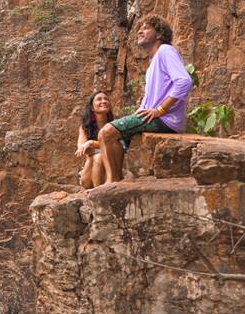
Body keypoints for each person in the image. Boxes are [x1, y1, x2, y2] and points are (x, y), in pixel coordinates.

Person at [99, 14, 194, 183]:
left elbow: (184, 81)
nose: (140, 31)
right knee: (115, 139)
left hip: (164, 120)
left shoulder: (166, 51)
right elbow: (152, 96)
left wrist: (160, 110)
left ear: (159, 34)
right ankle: (116, 182)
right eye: (139, 28)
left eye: (146, 27)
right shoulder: (154, 61)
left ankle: (111, 182)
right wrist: (140, 111)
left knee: (106, 133)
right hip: (155, 117)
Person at [76, 91, 113, 188]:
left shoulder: (114, 125)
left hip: (110, 171)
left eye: (106, 99)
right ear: (92, 107)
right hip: (88, 175)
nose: (104, 101)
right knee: (99, 155)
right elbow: (82, 149)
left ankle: (98, 192)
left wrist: (91, 143)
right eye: (99, 99)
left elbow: (114, 146)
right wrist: (98, 147)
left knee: (99, 156)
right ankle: (97, 192)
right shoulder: (85, 127)